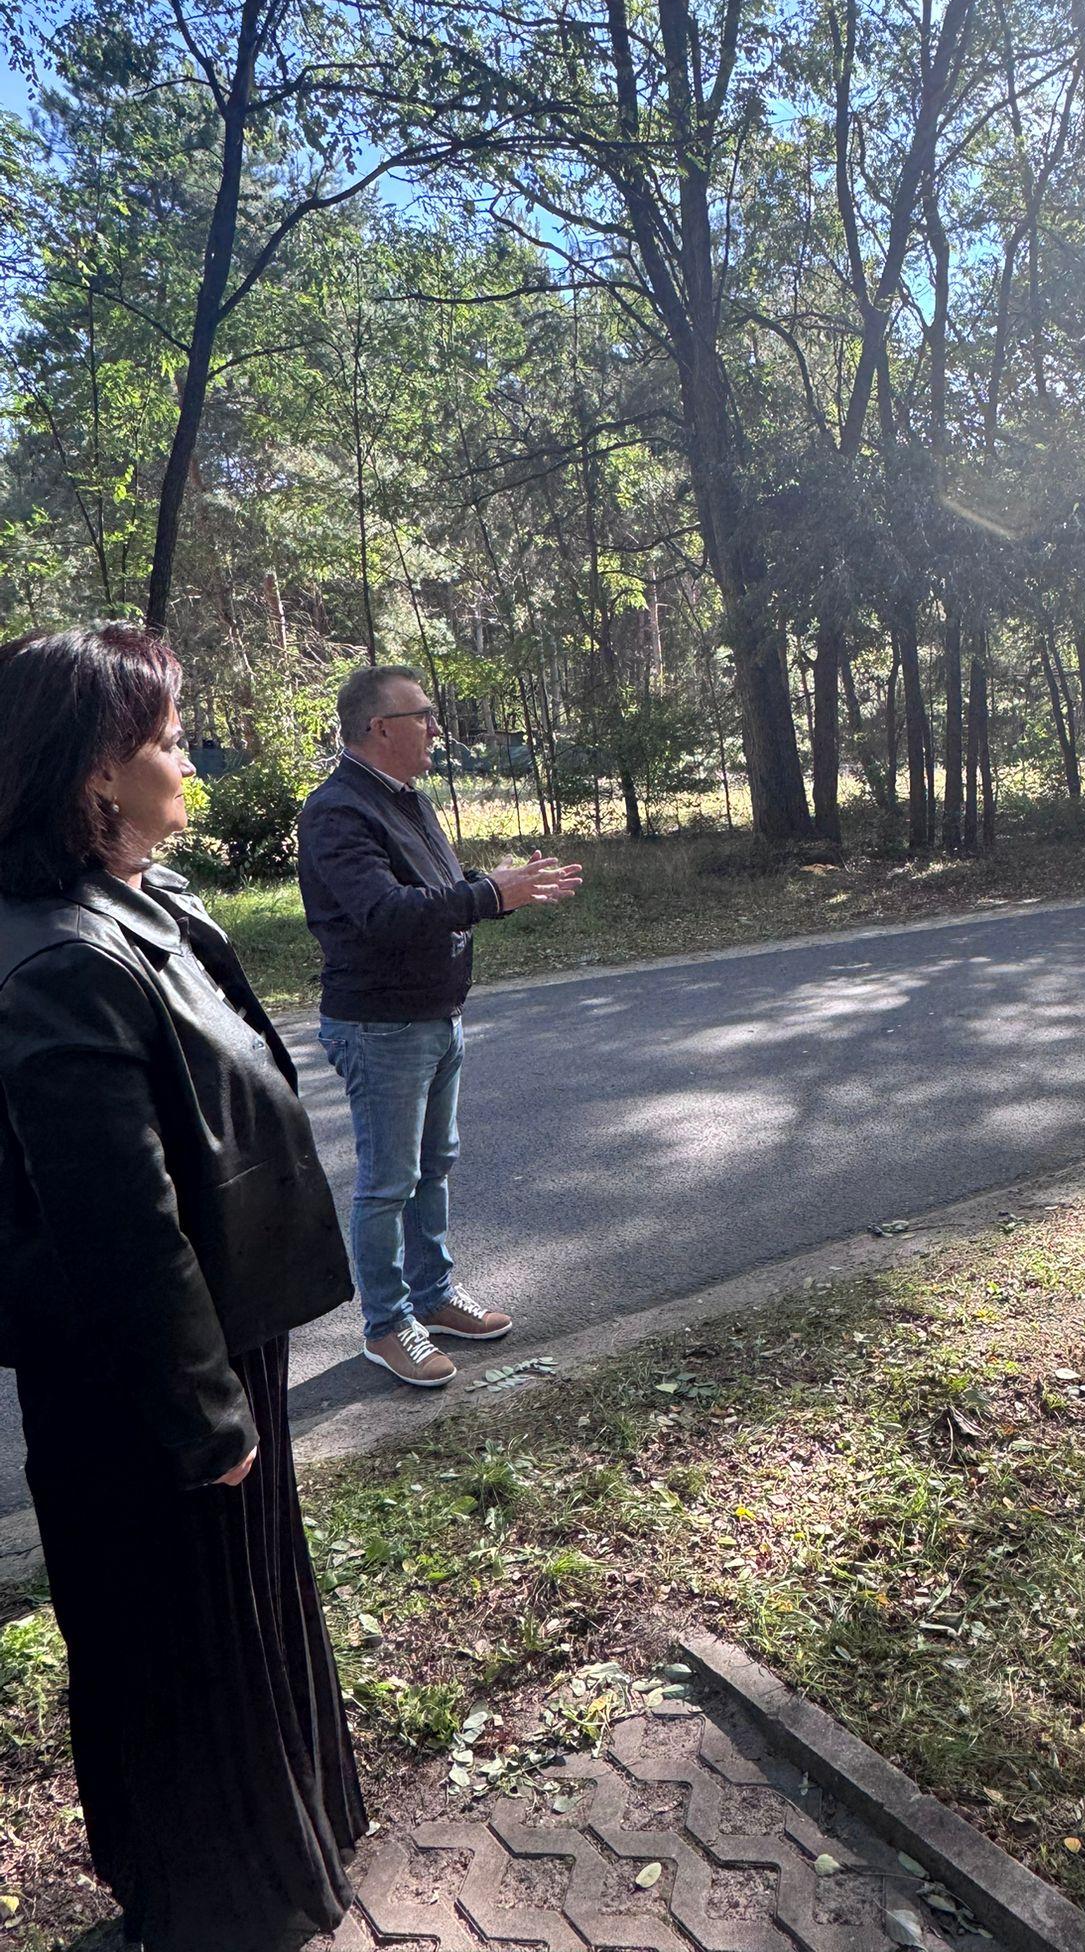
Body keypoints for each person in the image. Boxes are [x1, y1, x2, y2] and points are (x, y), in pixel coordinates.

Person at [0, 625, 365, 1952]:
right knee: (183, 1639)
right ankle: (221, 1906)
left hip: (211, 1334)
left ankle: (286, 1851)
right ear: (98, 771)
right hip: (146, 1382)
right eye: (167, 739)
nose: (190, 758)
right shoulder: (57, 959)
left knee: (244, 1614)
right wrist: (205, 1415)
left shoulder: (131, 901)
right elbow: (120, 1227)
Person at [298, 664, 581, 1387]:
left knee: (432, 1168)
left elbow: (437, 897)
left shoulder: (408, 799)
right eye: (421, 715)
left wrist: (503, 890)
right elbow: (385, 914)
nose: (434, 727)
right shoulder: (337, 811)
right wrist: (489, 894)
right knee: (388, 1182)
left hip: (435, 1014)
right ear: (378, 729)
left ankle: (433, 1295)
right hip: (381, 1025)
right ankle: (387, 1325)